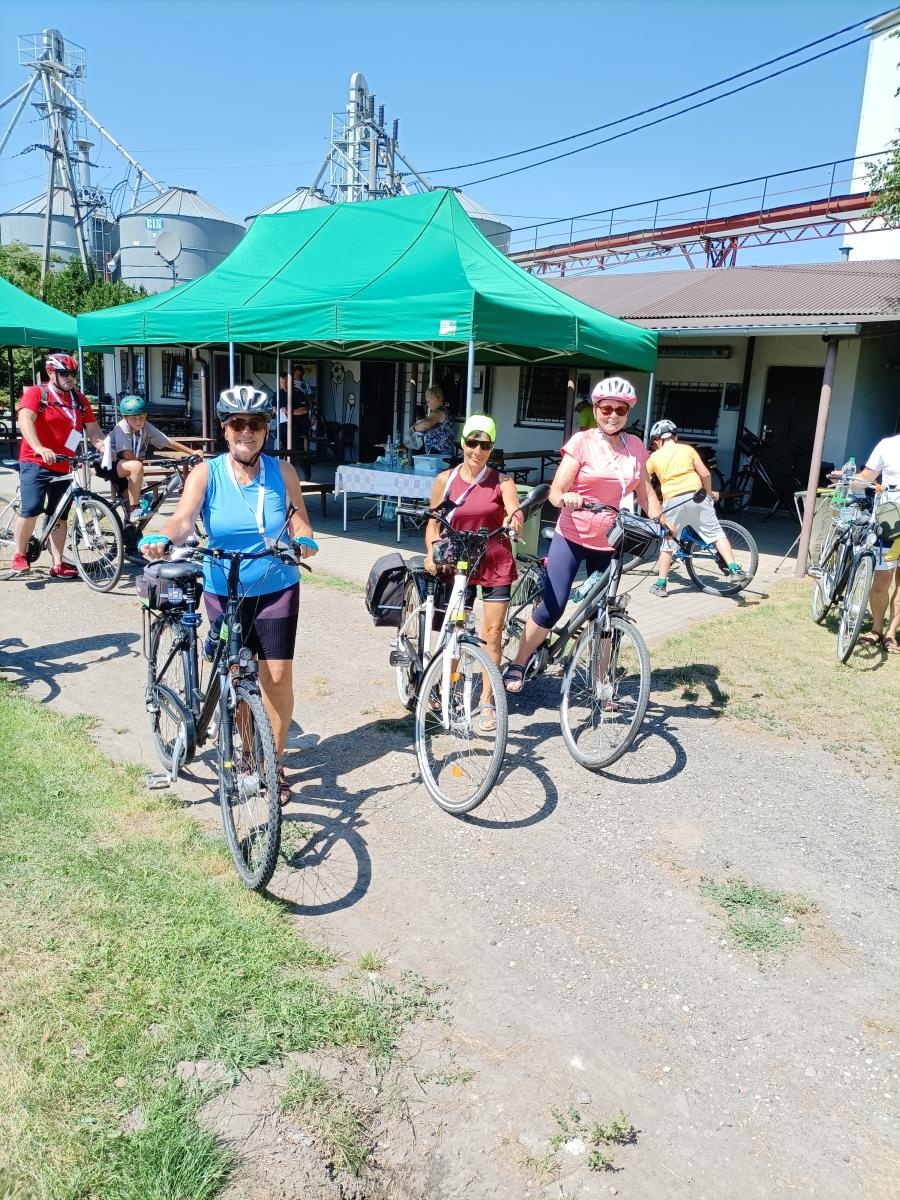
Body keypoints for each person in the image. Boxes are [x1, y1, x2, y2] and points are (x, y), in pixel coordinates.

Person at [140, 386, 318, 803]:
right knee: (238, 676)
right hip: (224, 587)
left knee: (276, 678)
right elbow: (183, 521)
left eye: (255, 424)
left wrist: (305, 541)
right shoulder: (206, 472)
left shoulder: (284, 472)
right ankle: (247, 755)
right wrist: (160, 536)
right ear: (225, 430)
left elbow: (300, 523)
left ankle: (272, 766)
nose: (247, 432)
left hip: (276, 585)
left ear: (266, 430)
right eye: (238, 424)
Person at [503, 377, 662, 693]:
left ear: (627, 412)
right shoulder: (582, 442)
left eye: (619, 409)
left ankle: (601, 680)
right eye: (606, 408)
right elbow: (556, 490)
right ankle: (519, 662)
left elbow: (645, 493)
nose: (612, 415)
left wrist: (663, 521)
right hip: (572, 535)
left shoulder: (635, 448)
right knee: (555, 604)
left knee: (604, 611)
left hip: (611, 540)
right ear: (596, 408)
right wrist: (567, 498)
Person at [424, 414, 522, 731]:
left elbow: (514, 512)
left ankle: (487, 701)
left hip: (494, 559)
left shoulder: (503, 482)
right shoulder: (446, 479)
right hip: (459, 561)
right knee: (455, 628)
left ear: (492, 447)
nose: (477, 450)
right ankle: (446, 687)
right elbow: (434, 523)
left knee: (493, 633)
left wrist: (513, 521)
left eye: (485, 444)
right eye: (472, 442)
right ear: (462, 442)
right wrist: (432, 551)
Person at [11, 352, 107, 578]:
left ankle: (57, 563)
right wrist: (39, 447)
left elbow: (92, 430)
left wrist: (102, 445)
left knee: (59, 514)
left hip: (64, 464)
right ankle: (19, 554)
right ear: (51, 373)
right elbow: (25, 420)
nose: (70, 378)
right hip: (36, 461)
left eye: (73, 374)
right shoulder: (38, 393)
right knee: (32, 507)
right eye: (64, 373)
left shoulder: (79, 400)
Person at [644, 419, 748, 597]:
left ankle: (661, 584)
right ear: (675, 436)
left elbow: (644, 481)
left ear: (657, 441)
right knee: (716, 534)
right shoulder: (688, 449)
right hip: (697, 496)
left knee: (668, 543)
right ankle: (734, 570)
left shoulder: (654, 457)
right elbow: (706, 473)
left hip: (672, 501)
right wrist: (709, 493)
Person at [107, 395, 199, 520]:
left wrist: (192, 452)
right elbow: (127, 455)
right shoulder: (122, 427)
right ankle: (133, 508)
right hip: (110, 465)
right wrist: (140, 478)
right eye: (134, 418)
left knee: (136, 514)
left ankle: (129, 531)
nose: (139, 421)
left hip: (129, 467)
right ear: (125, 418)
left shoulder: (146, 427)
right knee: (137, 485)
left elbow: (168, 442)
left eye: (142, 417)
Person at [853, 432, 900, 653]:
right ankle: (876, 628)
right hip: (890, 519)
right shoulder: (888, 445)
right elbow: (868, 476)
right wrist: (845, 478)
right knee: (881, 578)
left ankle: (891, 634)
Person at [412, 385, 456, 458]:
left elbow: (426, 425)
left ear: (435, 398)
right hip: (445, 453)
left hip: (439, 455)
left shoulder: (438, 412)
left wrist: (413, 428)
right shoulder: (446, 411)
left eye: (428, 401)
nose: (427, 404)